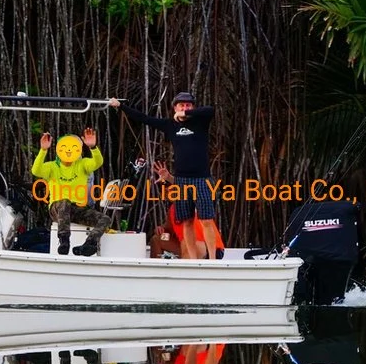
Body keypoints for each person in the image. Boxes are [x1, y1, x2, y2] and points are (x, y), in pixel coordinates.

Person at [109, 92, 218, 260]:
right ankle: (193, 260)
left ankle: (212, 259)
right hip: (181, 179)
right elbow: (144, 119)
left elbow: (210, 110)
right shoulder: (170, 125)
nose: (184, 107)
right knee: (186, 221)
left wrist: (186, 114)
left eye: (188, 105)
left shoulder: (199, 122)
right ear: (174, 107)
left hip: (201, 178)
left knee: (206, 219)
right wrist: (121, 106)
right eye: (181, 105)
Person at [31, 128, 111, 256]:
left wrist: (93, 147)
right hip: (57, 209)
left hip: (78, 209)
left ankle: (89, 244)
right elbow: (36, 170)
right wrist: (43, 150)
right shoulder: (52, 166)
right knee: (64, 203)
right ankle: (64, 240)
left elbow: (98, 162)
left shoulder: (83, 165)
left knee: (105, 219)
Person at [150, 162, 225, 259]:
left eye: (173, 190)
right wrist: (161, 229)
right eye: (168, 191)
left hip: (210, 247)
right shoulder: (173, 210)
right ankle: (157, 269)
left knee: (187, 242)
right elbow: (168, 229)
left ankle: (193, 266)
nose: (171, 193)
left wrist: (169, 177)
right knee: (157, 239)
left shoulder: (195, 201)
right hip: (185, 244)